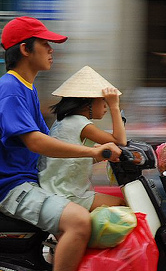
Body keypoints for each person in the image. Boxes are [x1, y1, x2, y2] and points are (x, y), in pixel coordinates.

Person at [0, 16, 121, 271]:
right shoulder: (10, 89)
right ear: (25, 49)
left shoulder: (25, 88)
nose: (51, 50)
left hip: (28, 181)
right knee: (78, 221)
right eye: (45, 44)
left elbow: (48, 144)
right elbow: (36, 141)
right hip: (11, 187)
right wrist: (92, 153)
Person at [38, 65, 126, 210]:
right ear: (87, 103)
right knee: (122, 204)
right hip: (67, 193)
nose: (105, 106)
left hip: (56, 189)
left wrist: (102, 154)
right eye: (103, 101)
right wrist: (114, 107)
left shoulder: (64, 121)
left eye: (107, 102)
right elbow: (119, 140)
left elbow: (74, 157)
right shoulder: (80, 123)